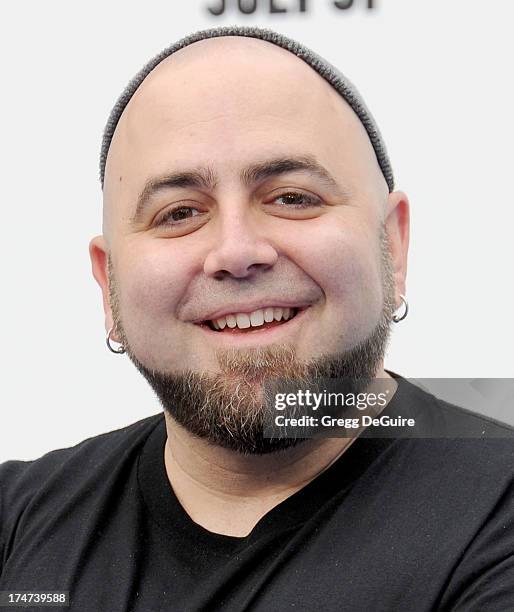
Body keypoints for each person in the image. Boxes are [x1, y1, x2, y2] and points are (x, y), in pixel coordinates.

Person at [1, 26, 513, 612]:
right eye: (179, 213)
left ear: (392, 247)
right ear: (107, 285)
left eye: (292, 197)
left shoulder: (497, 512)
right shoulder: (18, 523)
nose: (237, 251)